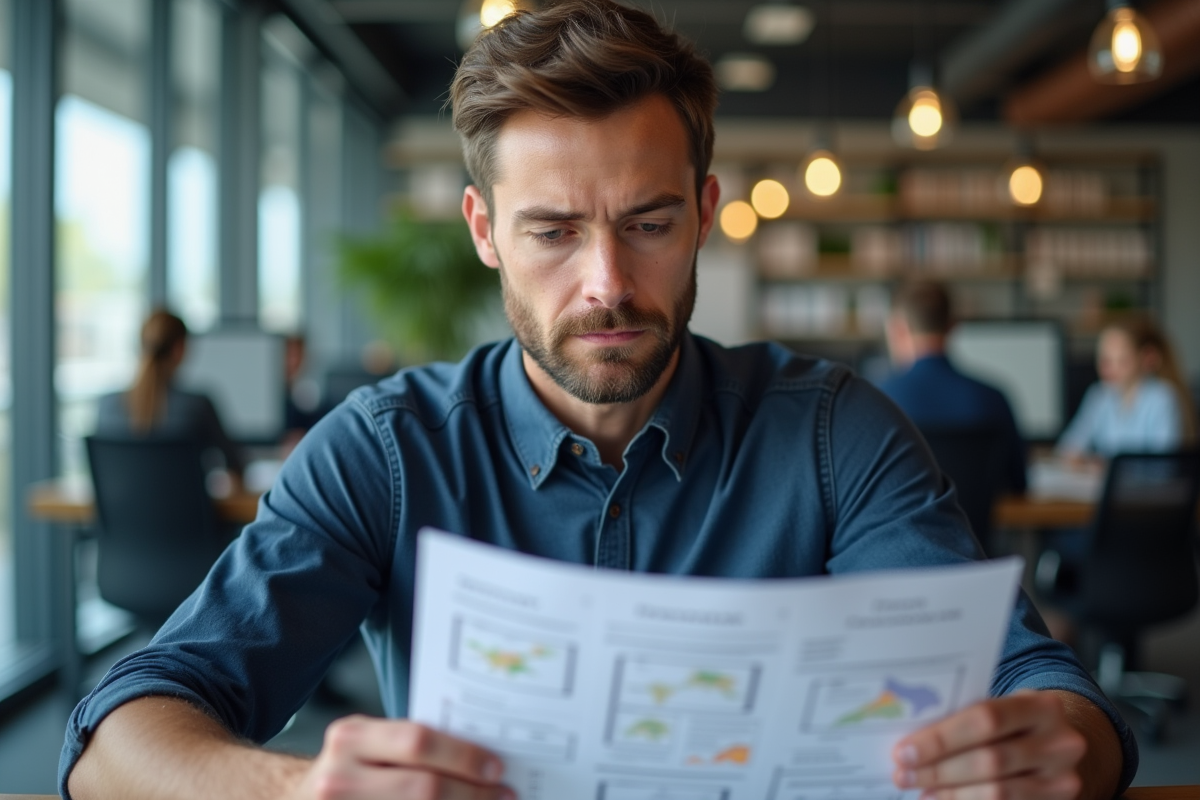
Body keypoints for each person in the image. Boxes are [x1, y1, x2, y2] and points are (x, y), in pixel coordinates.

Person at [63, 4, 1133, 800]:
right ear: (485, 230)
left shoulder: (832, 431)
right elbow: (115, 738)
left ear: (708, 210)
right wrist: (297, 790)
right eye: (554, 230)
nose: (608, 282)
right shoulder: (387, 452)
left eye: (650, 221)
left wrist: (1059, 741)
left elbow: (1041, 684)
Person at [880, 280, 1027, 496]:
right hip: (974, 530)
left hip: (902, 529)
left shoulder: (879, 399)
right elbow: (1019, 484)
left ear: (898, 329)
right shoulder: (994, 398)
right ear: (953, 326)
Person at [95, 309, 244, 483]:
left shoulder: (106, 406)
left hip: (119, 511)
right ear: (179, 349)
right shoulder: (197, 406)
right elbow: (236, 465)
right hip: (185, 510)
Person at [1057, 317, 1190, 461]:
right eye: (1106, 361)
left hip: (1144, 484)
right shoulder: (1099, 395)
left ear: (1147, 359)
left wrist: (1099, 464)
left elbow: (1161, 461)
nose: (1111, 370)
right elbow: (1068, 446)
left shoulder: (1162, 397)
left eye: (1122, 361)